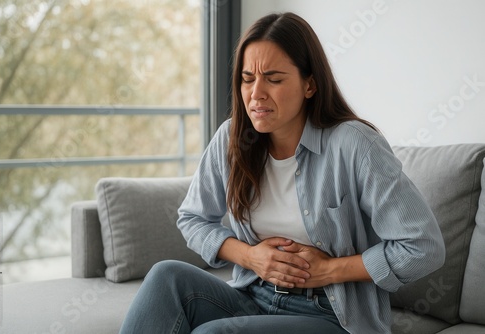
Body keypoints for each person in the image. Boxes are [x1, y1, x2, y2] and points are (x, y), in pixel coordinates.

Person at [119, 12, 445, 334]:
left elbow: (422, 247)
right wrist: (250, 257)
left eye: (273, 79)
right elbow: (192, 219)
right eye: (248, 79)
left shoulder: (355, 144)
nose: (256, 93)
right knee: (166, 277)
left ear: (310, 85)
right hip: (254, 296)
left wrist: (329, 270)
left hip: (332, 316)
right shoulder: (232, 139)